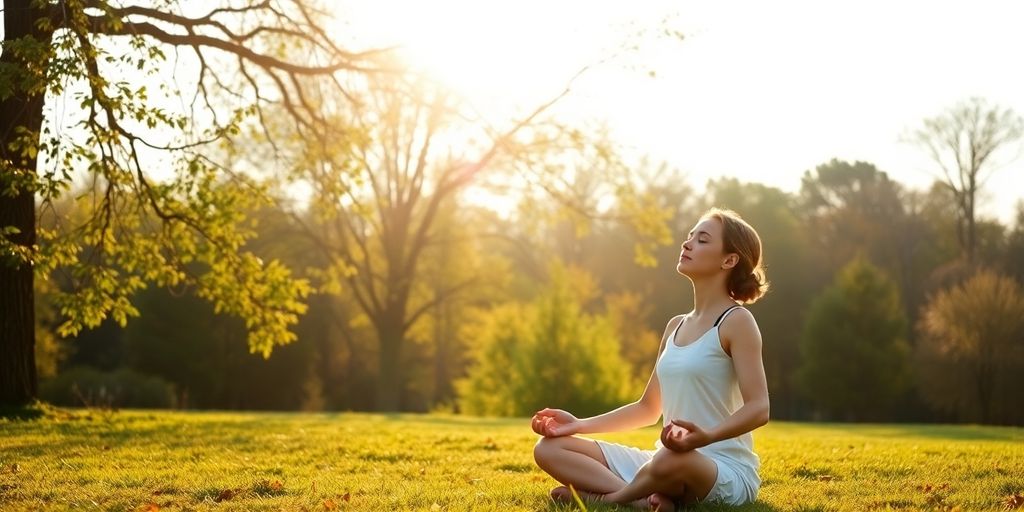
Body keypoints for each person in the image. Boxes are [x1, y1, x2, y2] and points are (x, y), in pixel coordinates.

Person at [531, 207, 770, 510]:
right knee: (549, 449)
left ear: (729, 260)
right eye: (690, 237)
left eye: (702, 239)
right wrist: (577, 424)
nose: (688, 244)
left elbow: (759, 408)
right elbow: (647, 409)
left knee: (671, 460)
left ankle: (611, 499)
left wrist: (704, 438)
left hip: (722, 470)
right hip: (663, 462)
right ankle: (646, 502)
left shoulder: (737, 321)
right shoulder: (675, 326)